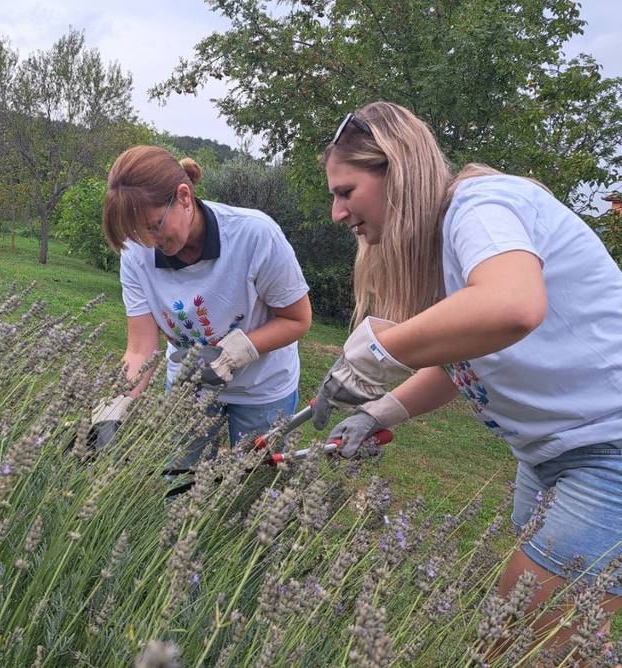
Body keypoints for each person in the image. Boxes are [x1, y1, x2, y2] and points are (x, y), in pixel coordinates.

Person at [312, 101, 622, 643]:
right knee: (563, 647)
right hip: (548, 457)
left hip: (608, 454)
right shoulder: (446, 245)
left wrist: (379, 351)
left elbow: (513, 307)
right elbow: (463, 366)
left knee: (514, 644)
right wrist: (376, 411)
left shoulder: (481, 205)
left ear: (397, 171)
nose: (338, 213)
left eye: (346, 191)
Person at [94, 145, 312, 466]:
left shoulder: (254, 235)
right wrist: (117, 400)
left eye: (153, 226)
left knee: (252, 488)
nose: (147, 241)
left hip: (261, 387)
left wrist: (234, 353)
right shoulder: (137, 252)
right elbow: (141, 347)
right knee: (181, 483)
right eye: (136, 233)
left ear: (183, 196)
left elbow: (297, 319)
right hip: (189, 385)